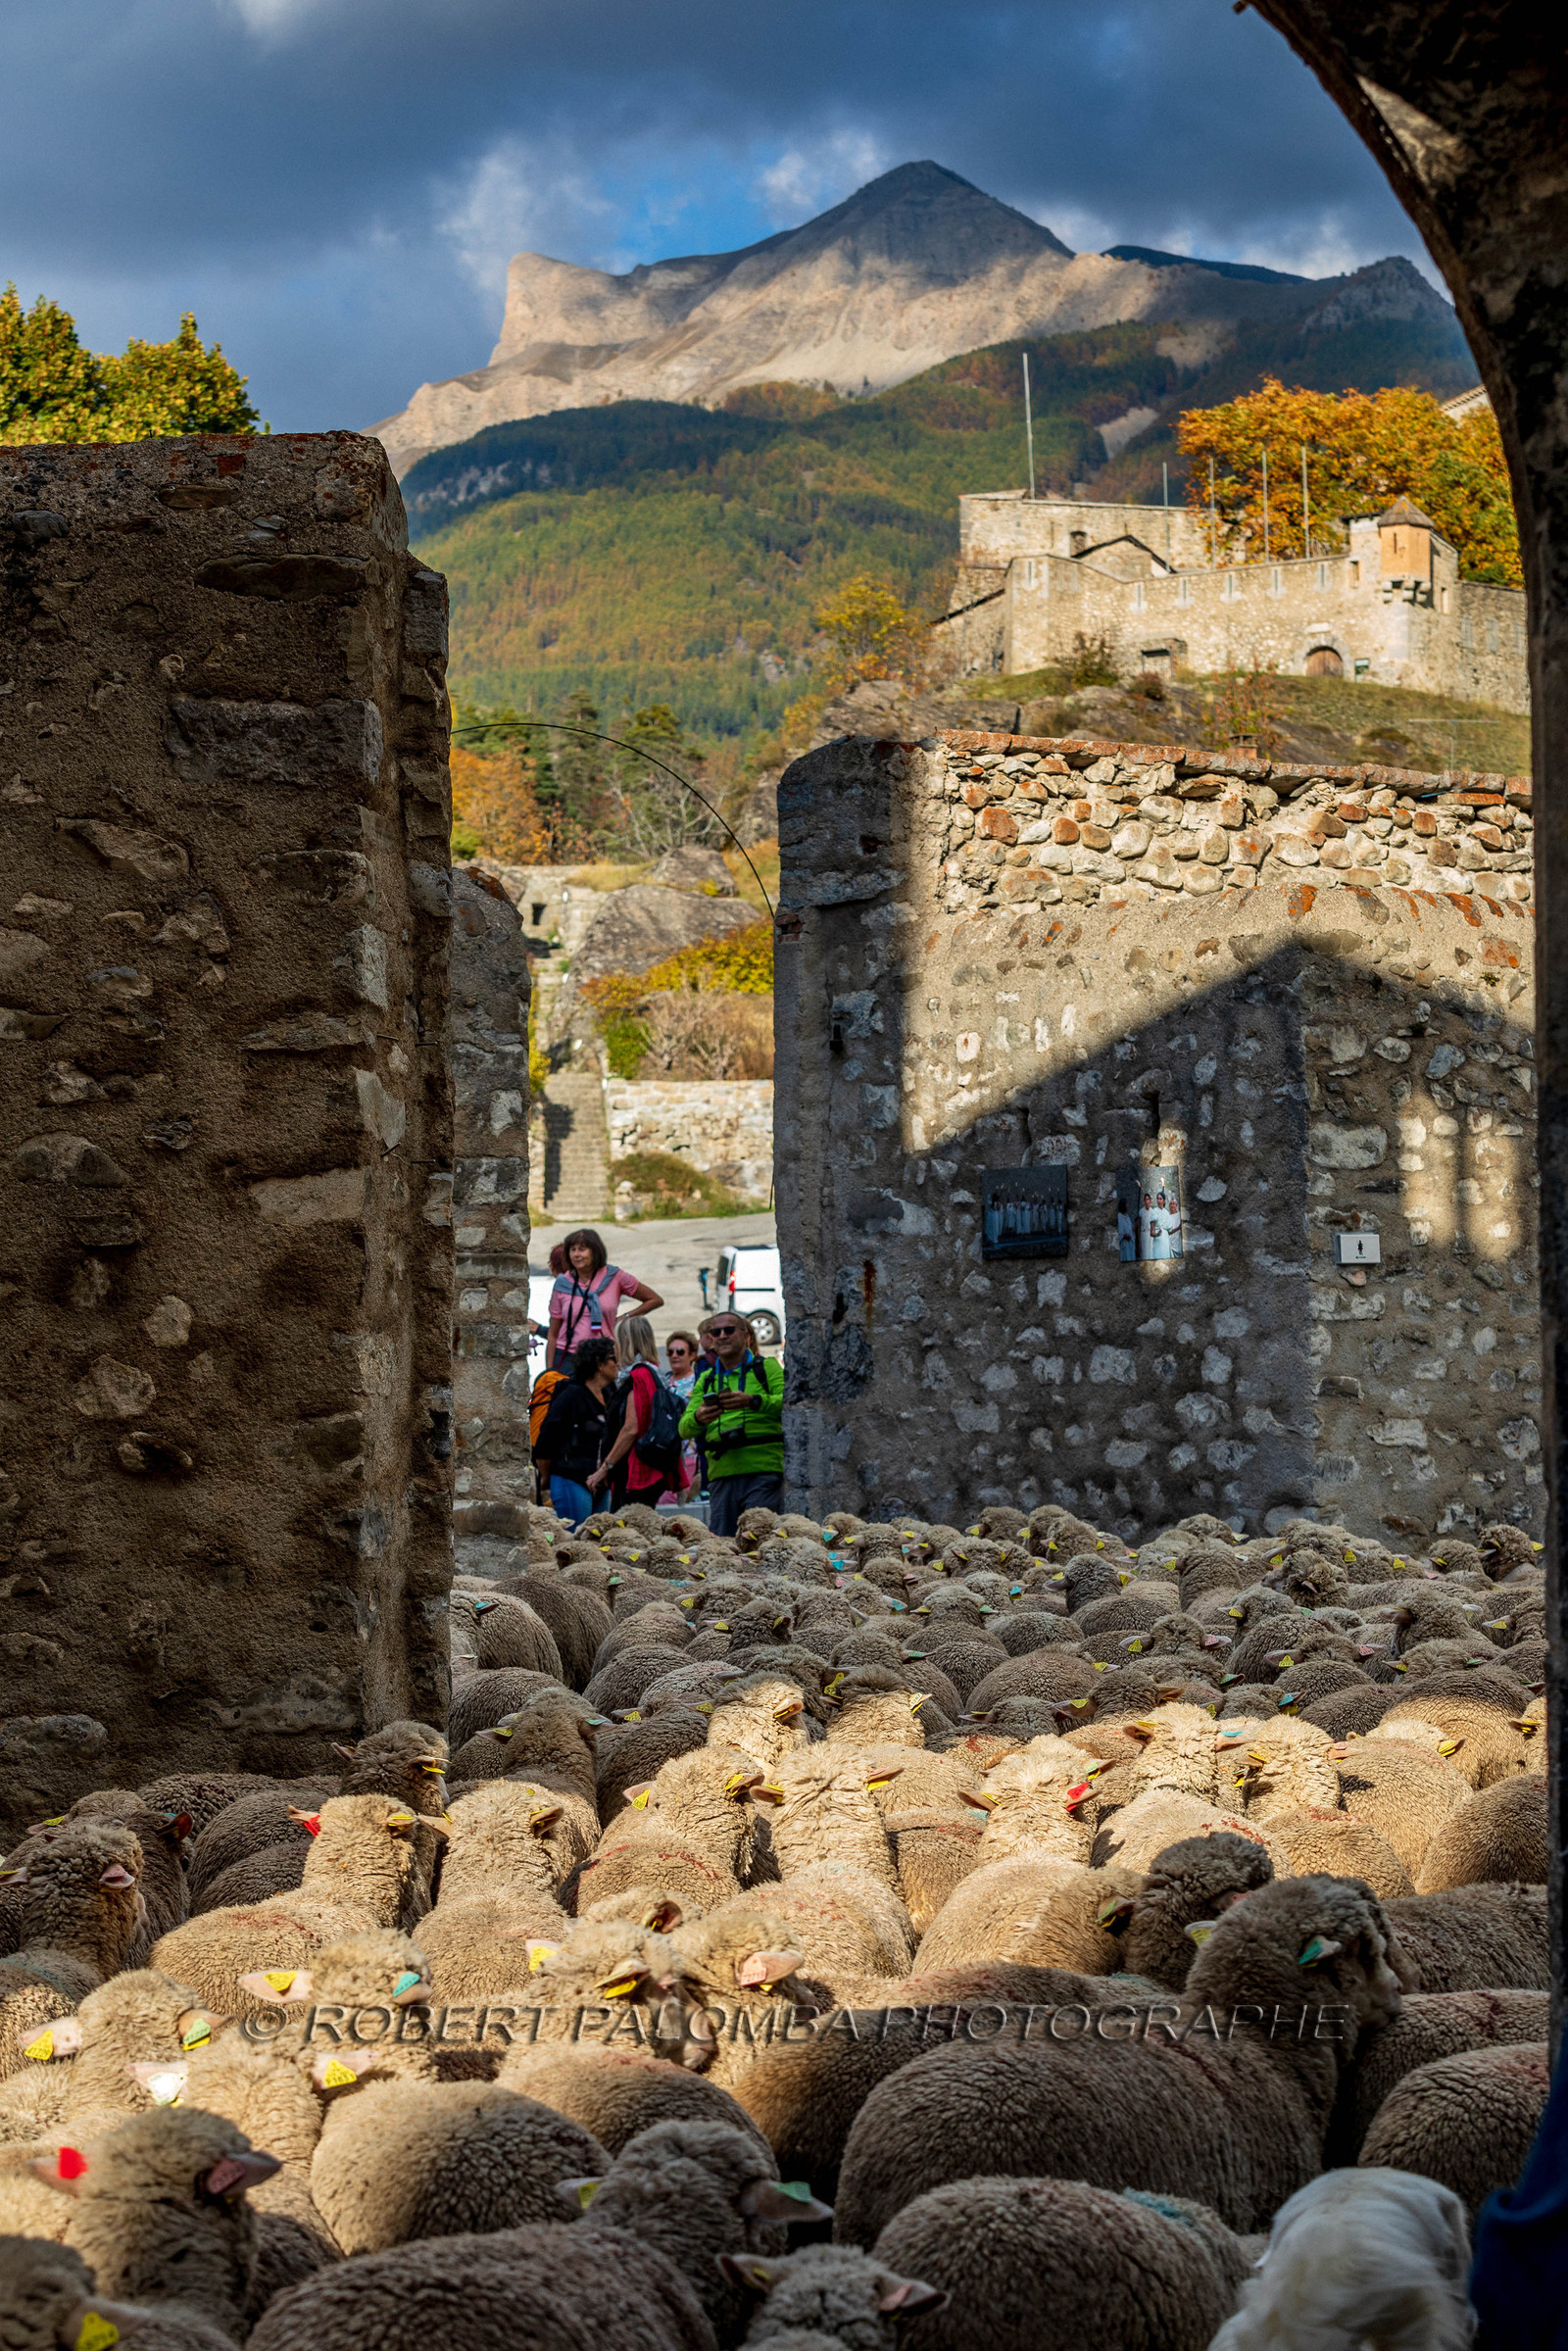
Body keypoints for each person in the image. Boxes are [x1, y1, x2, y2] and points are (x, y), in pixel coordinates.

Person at [679, 1308, 785, 1539]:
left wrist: (753, 1401)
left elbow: (787, 1403)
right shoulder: (707, 1379)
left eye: (729, 1330)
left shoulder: (766, 1368)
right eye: (715, 1332)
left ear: (746, 1335)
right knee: (723, 1548)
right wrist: (700, 1417)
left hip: (763, 1472)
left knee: (759, 1542)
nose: (722, 1336)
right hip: (721, 1475)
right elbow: (684, 1427)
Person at [591, 1316, 680, 1511]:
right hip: (640, 1469)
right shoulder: (652, 1372)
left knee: (628, 1533)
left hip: (634, 1471)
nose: (614, 1348)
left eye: (617, 1342)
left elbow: (631, 1428)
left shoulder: (639, 1375)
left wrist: (604, 1468)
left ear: (626, 1343)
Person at [545, 1228, 663, 1372]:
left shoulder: (615, 1277)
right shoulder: (563, 1283)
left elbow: (654, 1299)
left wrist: (624, 1318)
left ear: (595, 1251)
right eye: (572, 1250)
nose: (576, 1255)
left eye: (582, 1249)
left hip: (603, 1356)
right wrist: (549, 1373)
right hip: (568, 1357)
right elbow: (553, 1334)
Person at [536, 1335, 617, 1528]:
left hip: (600, 1482)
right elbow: (545, 1440)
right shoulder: (572, 1394)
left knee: (598, 1546)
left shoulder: (608, 1395)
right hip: (571, 1479)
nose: (617, 1364)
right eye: (613, 1359)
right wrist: (547, 1478)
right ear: (599, 1364)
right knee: (575, 1544)